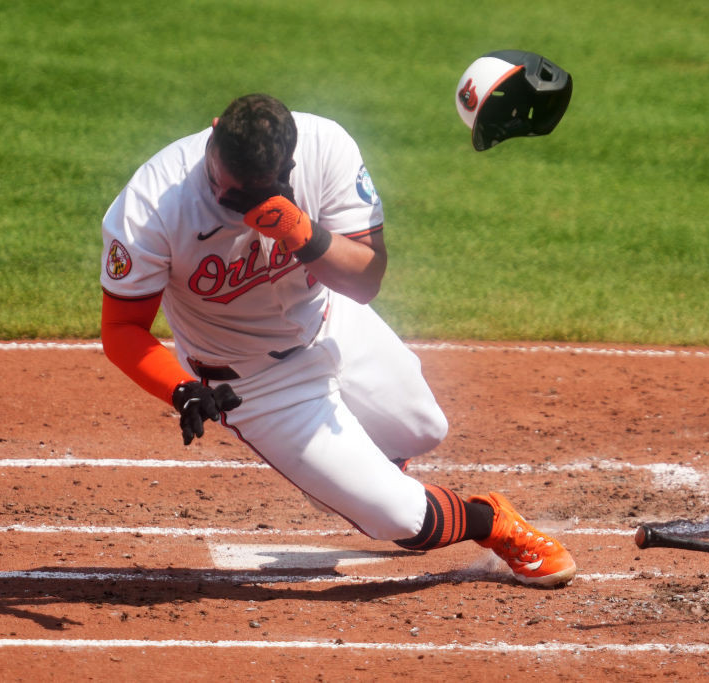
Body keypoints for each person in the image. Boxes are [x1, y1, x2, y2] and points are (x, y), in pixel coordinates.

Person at [99, 92, 576, 587]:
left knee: (423, 428)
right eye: (221, 183)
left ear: (290, 165)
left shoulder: (327, 147)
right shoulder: (152, 206)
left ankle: (347, 474)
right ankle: (492, 521)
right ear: (214, 130)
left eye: (244, 193)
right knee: (398, 518)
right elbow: (121, 329)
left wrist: (298, 229)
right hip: (255, 383)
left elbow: (366, 281)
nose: (225, 200)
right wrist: (180, 388)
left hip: (333, 319)